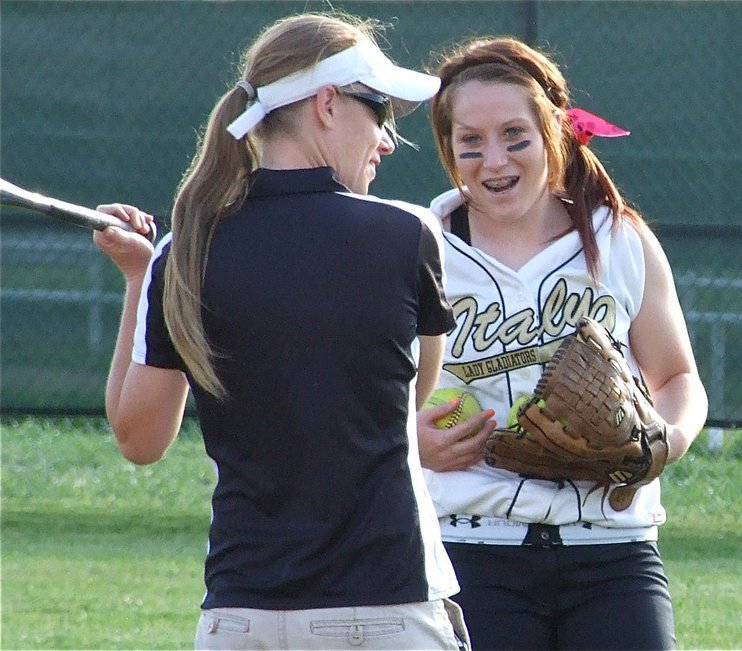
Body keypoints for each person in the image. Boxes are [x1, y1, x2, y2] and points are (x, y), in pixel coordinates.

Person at [93, 12, 472, 650]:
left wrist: (140, 279)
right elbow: (409, 401)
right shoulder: (407, 235)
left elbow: (139, 439)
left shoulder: (185, 252)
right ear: (327, 104)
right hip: (385, 607)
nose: (385, 140)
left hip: (240, 618)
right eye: (377, 111)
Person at [416, 36, 709, 650]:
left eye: (514, 135)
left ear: (555, 132)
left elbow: (678, 377)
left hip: (613, 549)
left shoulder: (620, 240)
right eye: (470, 141)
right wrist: (410, 441)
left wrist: (666, 440)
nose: (493, 160)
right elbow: (367, 394)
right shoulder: (418, 248)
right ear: (449, 149)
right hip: (472, 547)